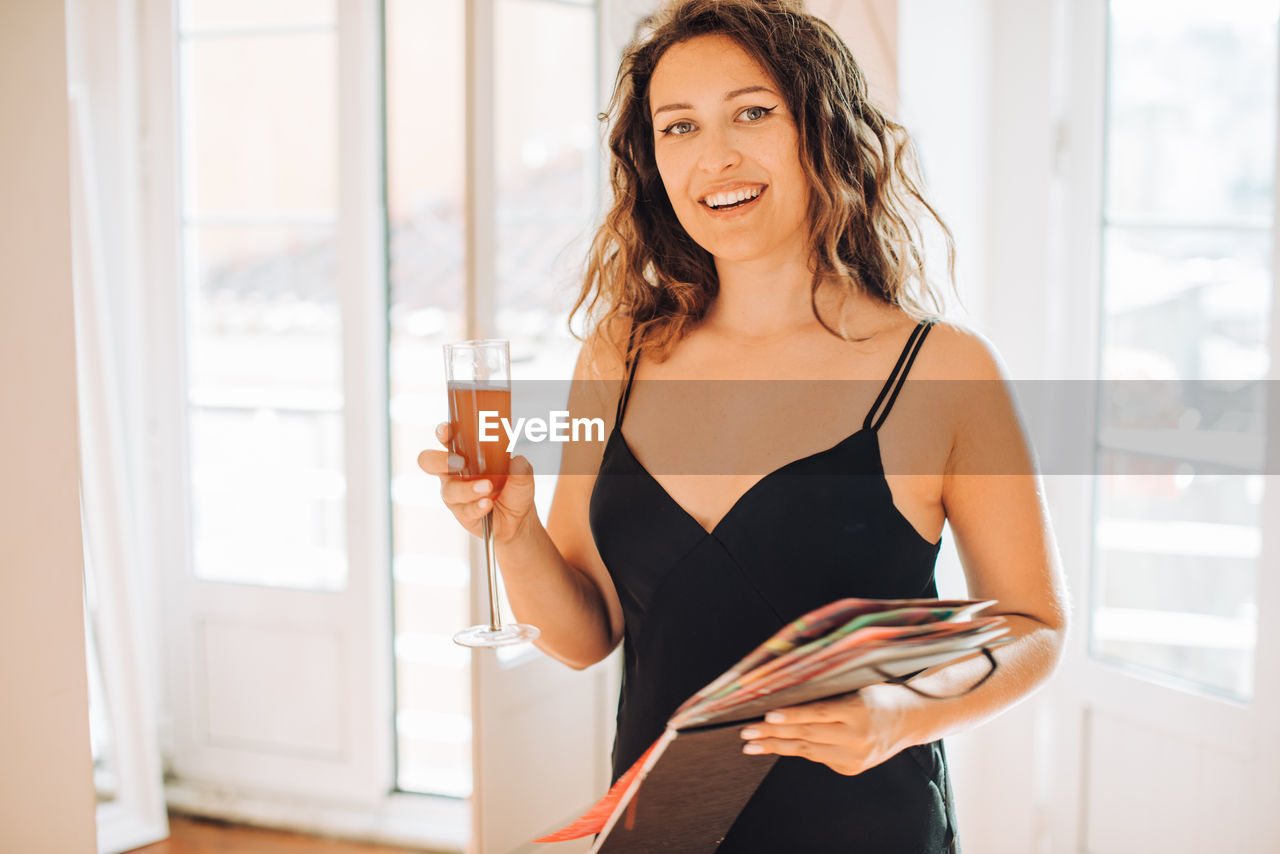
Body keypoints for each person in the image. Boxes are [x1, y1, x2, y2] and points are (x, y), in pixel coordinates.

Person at [420, 1, 1069, 850]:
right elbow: (583, 637)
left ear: (821, 131)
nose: (715, 156)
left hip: (865, 830)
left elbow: (1033, 625)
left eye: (752, 113)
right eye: (679, 126)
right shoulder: (615, 357)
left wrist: (903, 713)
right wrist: (513, 534)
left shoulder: (943, 370)